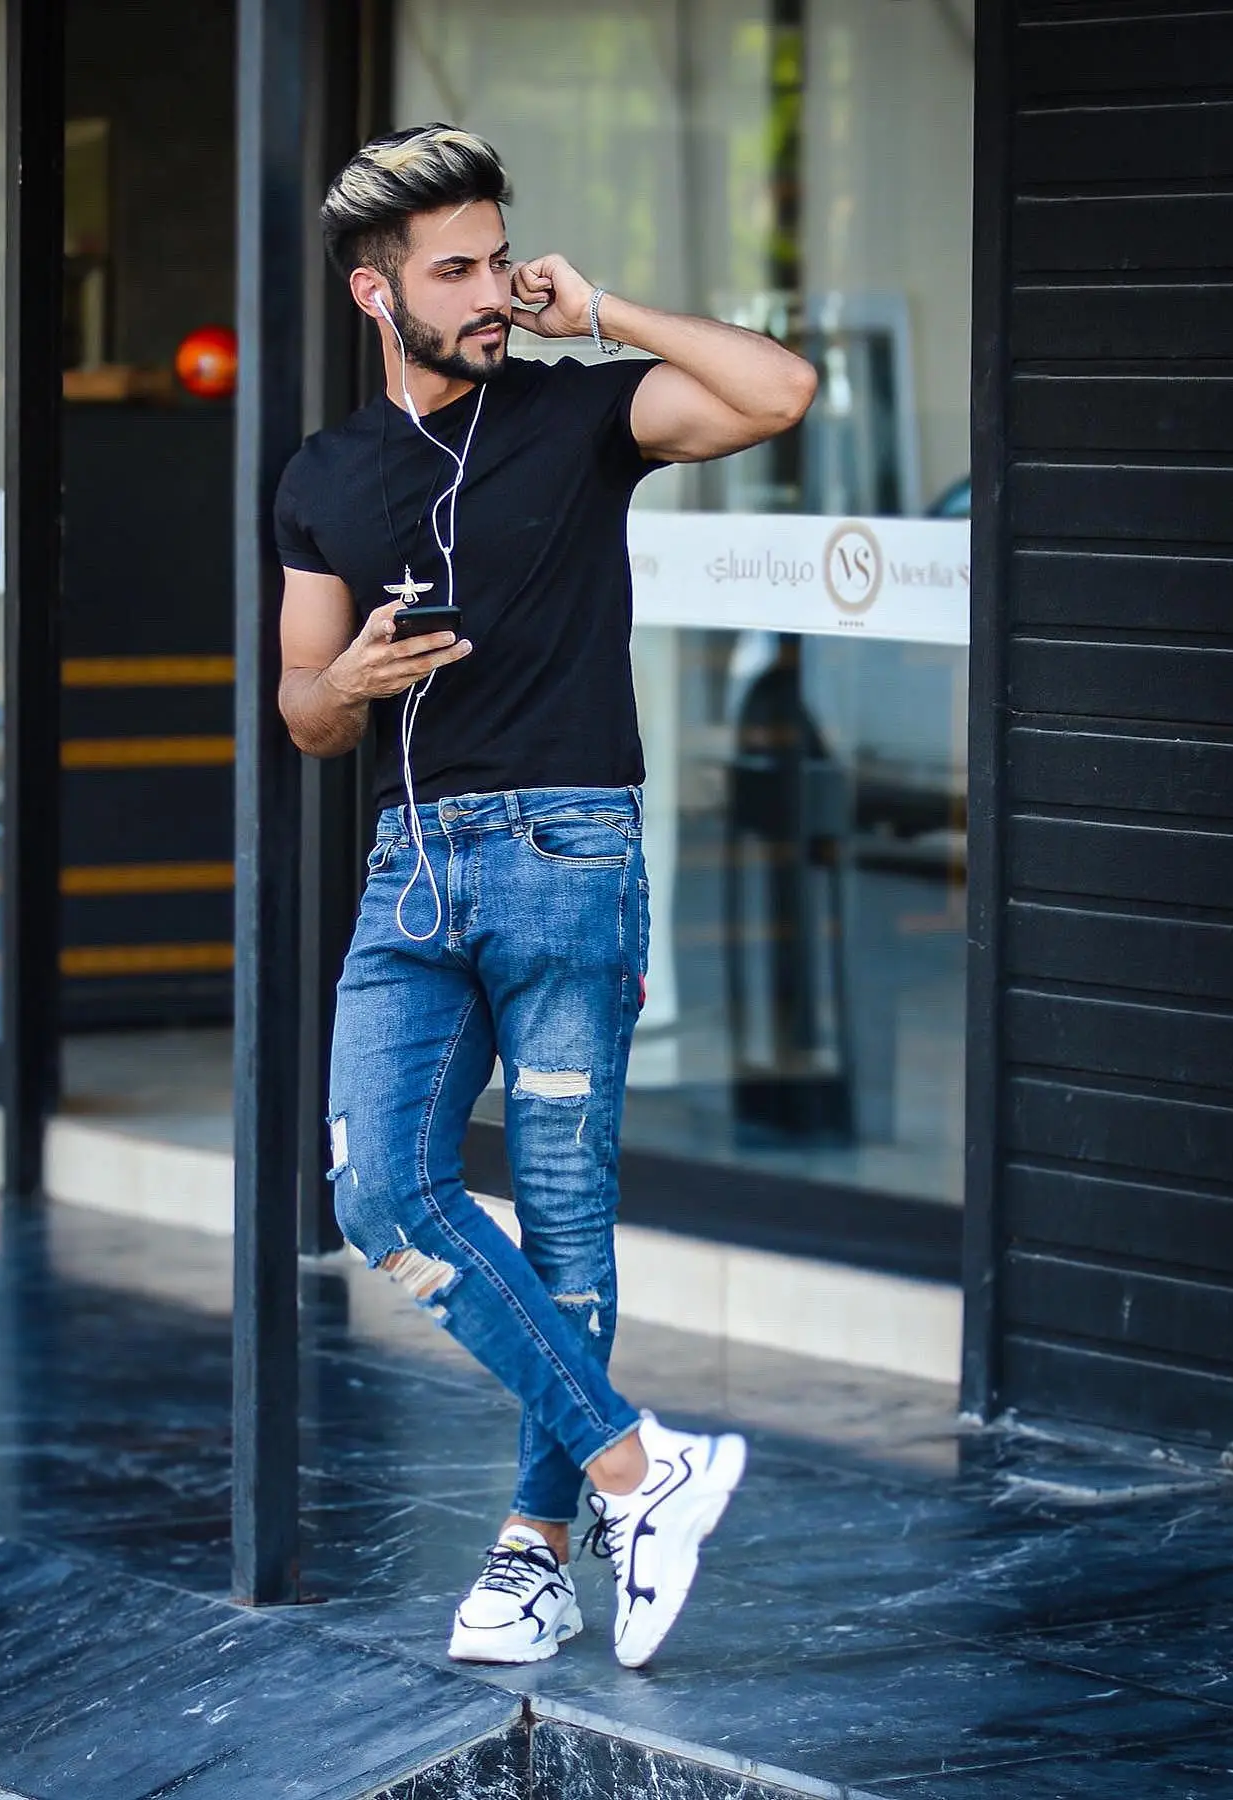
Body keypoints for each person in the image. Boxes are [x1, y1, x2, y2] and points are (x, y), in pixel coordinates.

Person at [274, 123, 816, 1670]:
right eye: (457, 271)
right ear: (379, 298)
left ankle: (532, 1553)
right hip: (411, 869)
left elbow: (780, 393)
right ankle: (648, 1476)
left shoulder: (577, 415)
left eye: (499, 256)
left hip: (571, 853)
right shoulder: (325, 474)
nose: (492, 289)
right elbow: (302, 710)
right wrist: (350, 680)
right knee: (380, 1190)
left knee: (568, 1231)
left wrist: (610, 313)